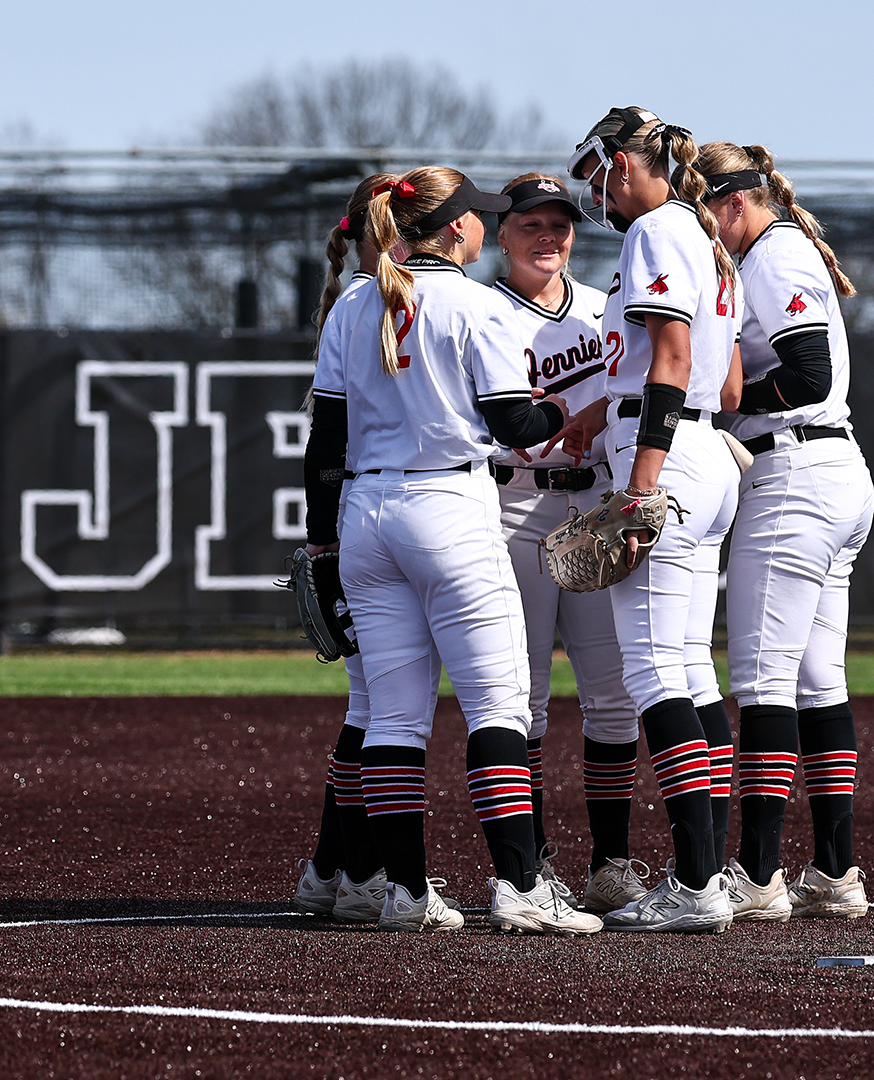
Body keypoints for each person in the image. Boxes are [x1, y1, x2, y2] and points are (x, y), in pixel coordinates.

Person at [302, 166, 601, 935]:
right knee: (497, 705)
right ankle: (522, 887)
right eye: (480, 218)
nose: (483, 227)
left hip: (367, 513)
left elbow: (324, 443)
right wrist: (562, 409)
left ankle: (404, 892)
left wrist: (324, 542)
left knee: (394, 721)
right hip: (449, 509)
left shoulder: (354, 304)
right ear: (460, 229)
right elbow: (511, 423)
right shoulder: (473, 303)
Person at [553, 107, 744, 932]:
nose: (592, 191)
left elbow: (670, 358)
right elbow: (726, 385)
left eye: (595, 171)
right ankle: (709, 872)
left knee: (655, 673)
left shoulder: (657, 230)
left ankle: (698, 884)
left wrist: (642, 480)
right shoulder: (701, 233)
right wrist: (604, 405)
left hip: (667, 458)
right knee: (692, 671)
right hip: (701, 451)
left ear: (623, 163)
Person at [697, 142, 874, 920]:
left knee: (765, 683)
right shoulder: (782, 249)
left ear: (735, 203)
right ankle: (834, 872)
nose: (704, 232)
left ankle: (759, 873)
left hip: (796, 474)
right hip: (832, 471)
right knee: (817, 679)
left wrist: (724, 401)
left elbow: (807, 375)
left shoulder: (770, 256)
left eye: (707, 213)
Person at [485, 173, 647, 914]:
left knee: (613, 698)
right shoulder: (483, 313)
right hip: (513, 505)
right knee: (523, 698)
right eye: (530, 225)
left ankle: (611, 866)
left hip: (593, 502)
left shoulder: (600, 309)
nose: (547, 236)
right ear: (500, 234)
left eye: (560, 224)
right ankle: (536, 866)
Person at [293, 173, 402, 924]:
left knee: (372, 703)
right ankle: (351, 869)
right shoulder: (368, 303)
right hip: (377, 514)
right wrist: (323, 539)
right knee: (381, 705)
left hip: (363, 518)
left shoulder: (366, 302)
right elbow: (325, 443)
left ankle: (330, 867)